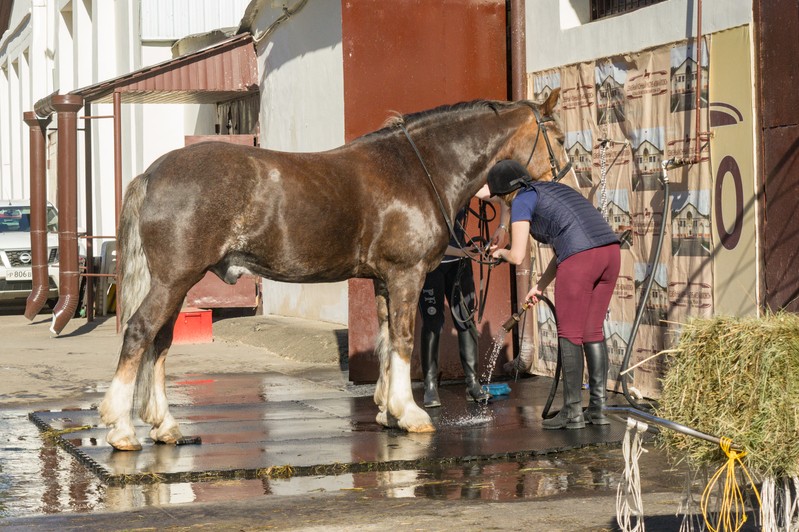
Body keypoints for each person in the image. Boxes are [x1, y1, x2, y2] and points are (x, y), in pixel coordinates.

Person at [486, 159, 620, 429]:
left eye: (500, 200)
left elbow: (517, 254)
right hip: (610, 252)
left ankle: (572, 412)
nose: (502, 205)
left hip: (580, 259)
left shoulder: (522, 200)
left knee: (570, 333)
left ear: (504, 194)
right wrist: (541, 285)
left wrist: (499, 253)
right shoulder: (552, 190)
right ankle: (598, 409)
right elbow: (567, 244)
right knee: (593, 331)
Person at [418, 206, 502, 407]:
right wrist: (465, 251)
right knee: (432, 323)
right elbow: (431, 244)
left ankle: (472, 383)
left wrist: (503, 227)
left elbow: (502, 196)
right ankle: (430, 385)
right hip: (433, 264)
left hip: (459, 264)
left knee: (465, 320)